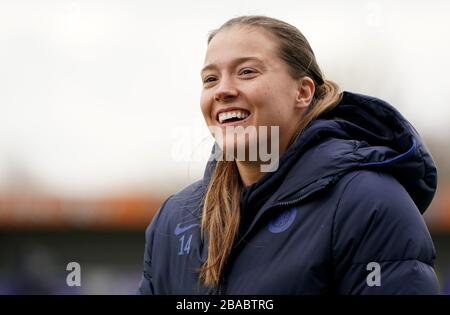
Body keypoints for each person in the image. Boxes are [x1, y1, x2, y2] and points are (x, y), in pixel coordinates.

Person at [138, 15, 440, 294]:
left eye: (246, 72)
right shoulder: (173, 219)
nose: (223, 90)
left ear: (304, 92)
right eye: (210, 79)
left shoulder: (368, 202)